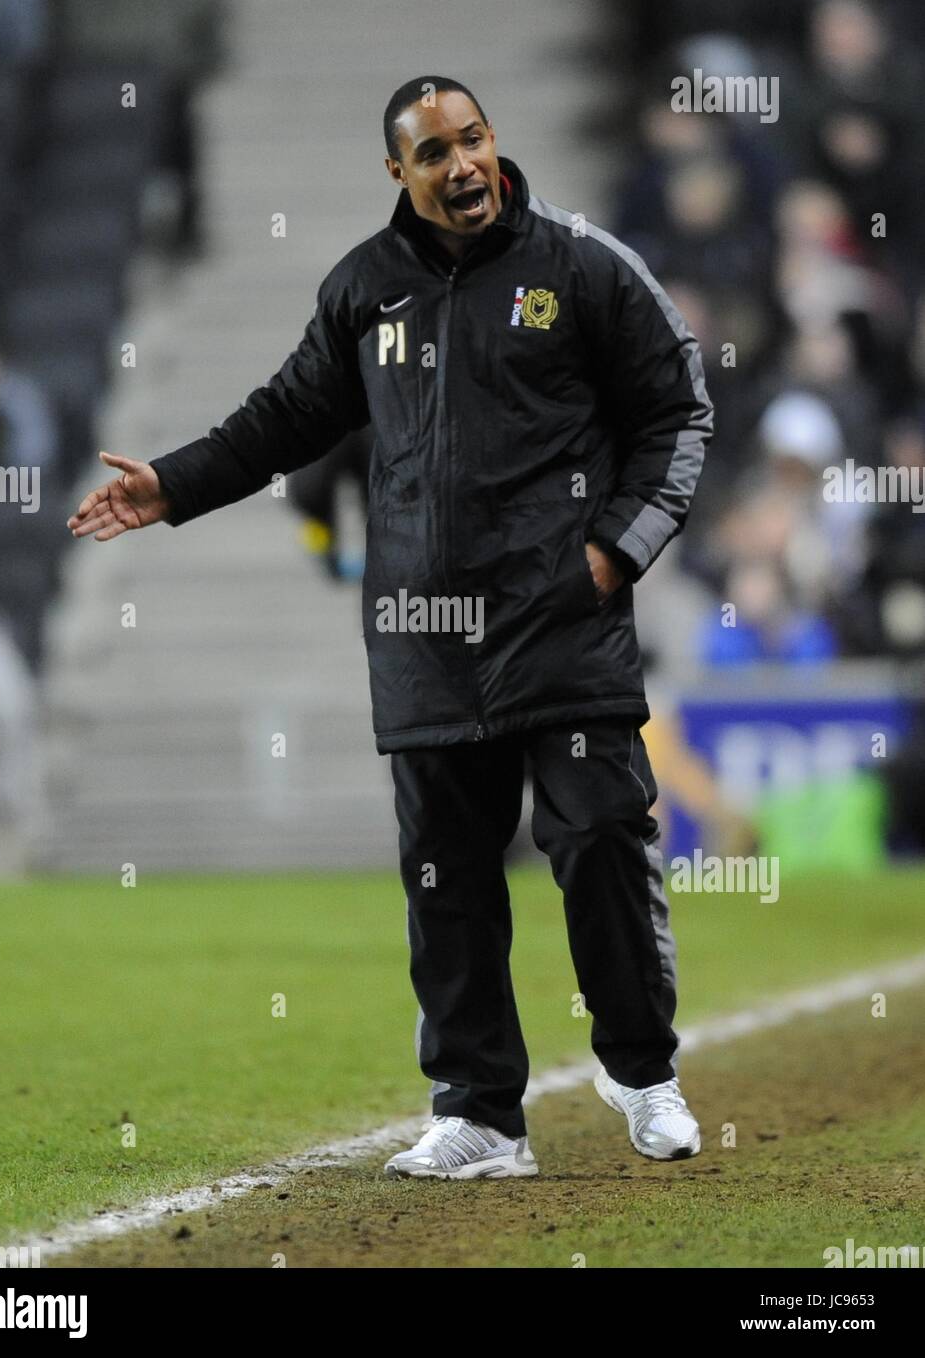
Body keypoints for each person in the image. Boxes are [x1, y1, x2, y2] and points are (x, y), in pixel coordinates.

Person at [67, 77, 715, 1180]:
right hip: (422, 639)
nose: (460, 165)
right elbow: (283, 417)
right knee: (445, 876)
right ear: (397, 173)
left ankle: (643, 1074)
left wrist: (612, 550)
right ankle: (480, 1114)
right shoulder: (363, 291)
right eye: (433, 153)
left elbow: (677, 410)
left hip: (562, 626)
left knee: (598, 840)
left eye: (472, 140)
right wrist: (169, 486)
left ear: (492, 143)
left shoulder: (582, 264)